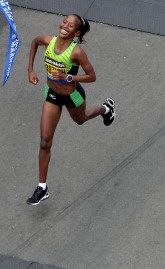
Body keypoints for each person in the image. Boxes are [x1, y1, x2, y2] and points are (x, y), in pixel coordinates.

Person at [25, 14, 115, 205]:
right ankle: (42, 187)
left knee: (81, 120)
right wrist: (30, 70)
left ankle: (106, 109)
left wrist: (69, 78)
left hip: (72, 96)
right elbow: (33, 43)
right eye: (64, 22)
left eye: (70, 25)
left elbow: (92, 76)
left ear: (77, 32)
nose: (65, 26)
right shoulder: (47, 40)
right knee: (44, 142)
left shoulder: (77, 53)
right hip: (52, 94)